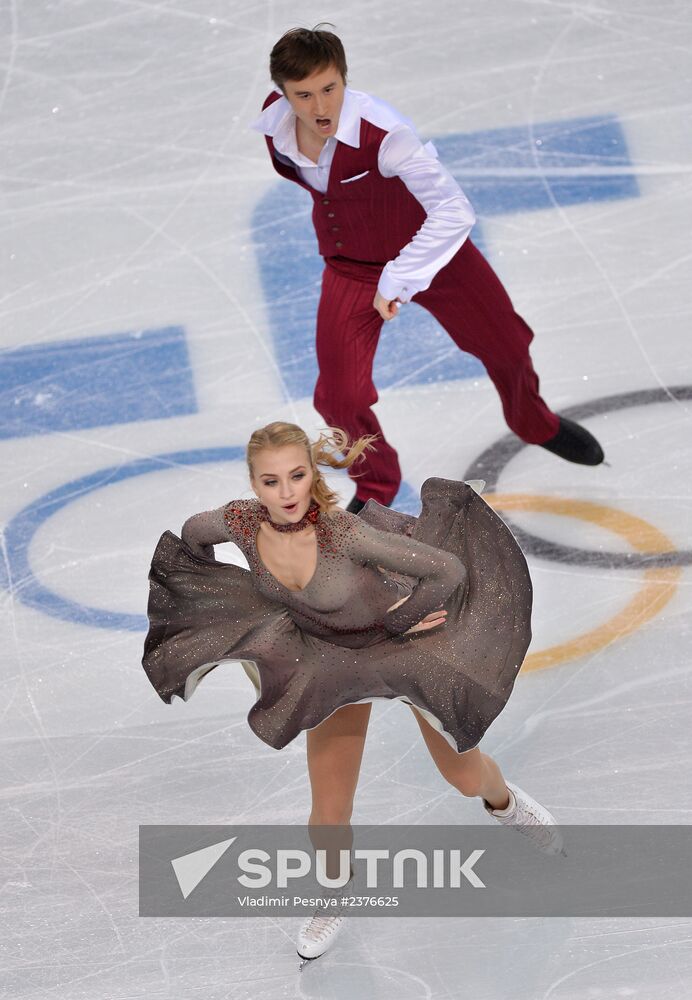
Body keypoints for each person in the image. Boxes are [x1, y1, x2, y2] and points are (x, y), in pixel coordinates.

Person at [142, 421, 564, 964]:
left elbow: (448, 569)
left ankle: (506, 806)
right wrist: (227, 591)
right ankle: (336, 890)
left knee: (462, 775)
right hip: (328, 659)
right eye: (271, 482)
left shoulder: (342, 533)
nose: (287, 492)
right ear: (254, 484)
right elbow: (193, 533)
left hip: (404, 650)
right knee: (328, 813)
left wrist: (403, 618)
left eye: (297, 476)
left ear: (312, 475)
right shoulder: (239, 522)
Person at [250, 26, 605, 513]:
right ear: (284, 94)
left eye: (329, 88)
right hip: (351, 266)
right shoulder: (276, 130)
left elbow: (454, 211)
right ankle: (377, 484)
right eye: (304, 95)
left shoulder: (385, 134)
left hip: (437, 257)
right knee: (338, 397)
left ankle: (534, 423)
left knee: (507, 345)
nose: (319, 106)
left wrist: (400, 275)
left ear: (344, 78)